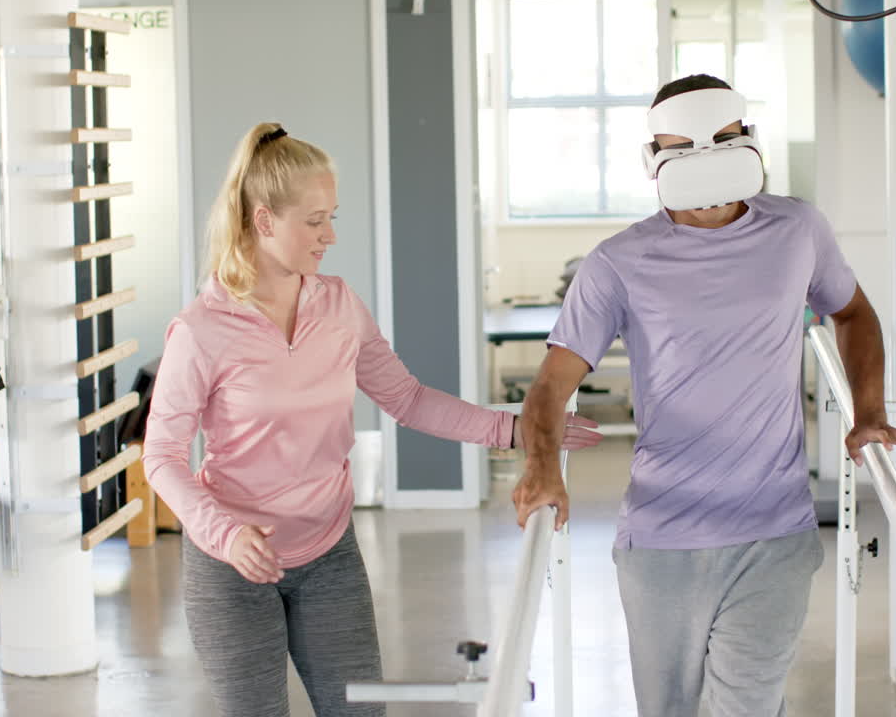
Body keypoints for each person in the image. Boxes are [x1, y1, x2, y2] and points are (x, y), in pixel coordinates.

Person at [142, 122, 602, 717]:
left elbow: (406, 398)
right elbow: (162, 456)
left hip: (328, 550)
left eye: (332, 217)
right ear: (263, 221)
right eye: (315, 221)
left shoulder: (337, 305)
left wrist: (515, 429)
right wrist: (225, 533)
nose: (329, 235)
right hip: (232, 562)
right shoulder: (201, 331)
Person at [512, 75, 896, 716]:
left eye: (720, 143)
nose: (702, 168)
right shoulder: (617, 262)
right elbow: (550, 387)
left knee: (746, 707)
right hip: (662, 536)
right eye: (681, 149)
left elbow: (854, 313)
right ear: (653, 157)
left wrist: (870, 415)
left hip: (775, 532)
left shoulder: (798, 229)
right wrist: (541, 469)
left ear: (747, 140)